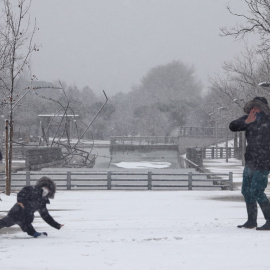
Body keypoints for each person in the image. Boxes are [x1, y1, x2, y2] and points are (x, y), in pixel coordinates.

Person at [229, 96, 270, 230]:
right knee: (246, 191)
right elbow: (232, 126)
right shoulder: (248, 118)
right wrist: (247, 121)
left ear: (263, 108)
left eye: (257, 107)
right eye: (252, 107)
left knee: (257, 190)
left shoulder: (268, 120)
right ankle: (251, 221)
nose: (254, 109)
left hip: (264, 162)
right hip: (250, 161)